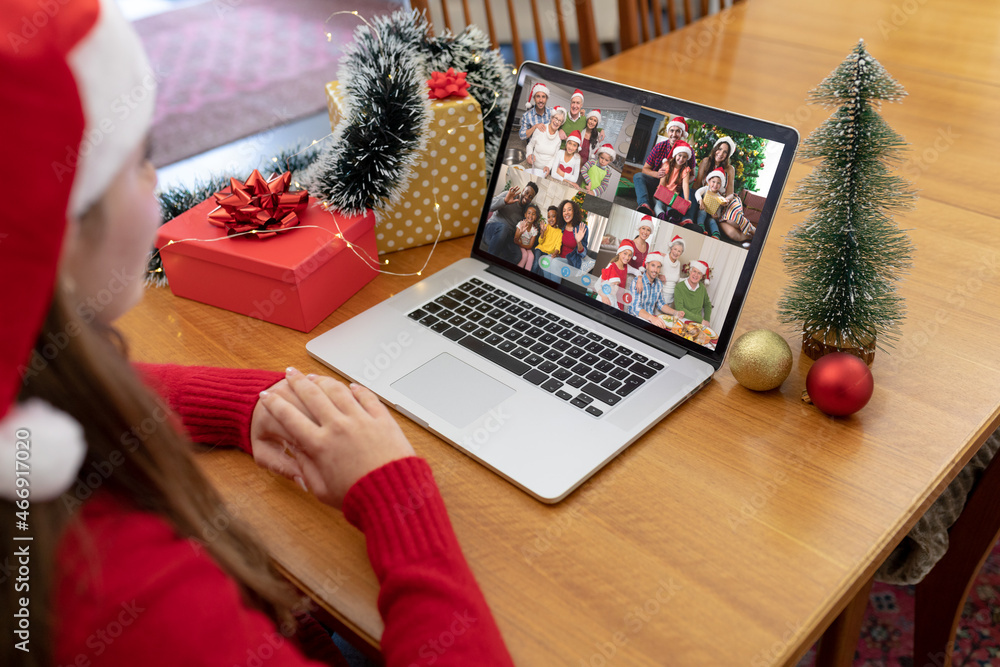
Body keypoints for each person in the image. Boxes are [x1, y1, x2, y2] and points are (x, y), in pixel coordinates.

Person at [0, 6, 516, 667]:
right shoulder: (131, 602)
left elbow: (61, 391)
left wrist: (248, 404)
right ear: (59, 230)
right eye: (141, 159)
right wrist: (395, 492)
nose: (155, 180)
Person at [632, 116, 693, 215]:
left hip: (676, 187)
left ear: (682, 133)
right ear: (668, 132)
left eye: (678, 131)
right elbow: (645, 169)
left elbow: (692, 176)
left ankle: (683, 218)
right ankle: (645, 205)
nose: (674, 134)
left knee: (689, 193)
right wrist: (657, 174)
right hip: (658, 183)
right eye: (672, 130)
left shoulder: (688, 151)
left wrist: (681, 183)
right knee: (638, 176)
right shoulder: (659, 147)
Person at [483, 182, 539, 263]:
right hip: (491, 231)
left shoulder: (525, 212)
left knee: (518, 255)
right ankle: (488, 262)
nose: (527, 197)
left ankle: (497, 269)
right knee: (504, 228)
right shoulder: (509, 195)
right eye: (526, 193)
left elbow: (524, 228)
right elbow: (488, 206)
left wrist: (534, 226)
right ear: (523, 190)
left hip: (506, 238)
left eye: (530, 197)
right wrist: (505, 201)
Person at [695, 169, 755, 243]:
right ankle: (700, 226)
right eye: (713, 182)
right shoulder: (706, 189)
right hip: (704, 210)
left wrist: (716, 216)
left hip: (716, 214)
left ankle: (716, 234)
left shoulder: (719, 196)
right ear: (709, 181)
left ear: (721, 185)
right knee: (702, 213)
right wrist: (700, 200)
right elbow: (697, 192)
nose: (715, 185)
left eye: (718, 183)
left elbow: (719, 209)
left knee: (713, 221)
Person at [627, 252, 685, 326]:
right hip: (634, 321)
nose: (655, 270)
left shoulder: (658, 283)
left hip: (650, 320)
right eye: (653, 265)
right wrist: (652, 318)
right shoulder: (637, 282)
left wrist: (676, 312)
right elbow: (636, 308)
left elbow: (661, 303)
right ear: (647, 265)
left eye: (658, 267)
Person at [654, 141, 694, 220]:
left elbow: (685, 185)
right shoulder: (667, 165)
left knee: (671, 208)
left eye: (684, 157)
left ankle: (672, 218)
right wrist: (661, 192)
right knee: (658, 205)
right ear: (675, 155)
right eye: (679, 155)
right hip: (662, 193)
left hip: (673, 197)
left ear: (687, 158)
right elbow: (662, 182)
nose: (681, 159)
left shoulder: (685, 170)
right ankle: (661, 215)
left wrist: (686, 200)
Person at [525, 106, 565, 177]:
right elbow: (530, 145)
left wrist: (548, 166)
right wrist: (529, 154)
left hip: (545, 172)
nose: (556, 122)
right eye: (556, 118)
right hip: (533, 168)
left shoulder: (559, 138)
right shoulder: (540, 129)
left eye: (560, 120)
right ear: (552, 118)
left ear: (561, 123)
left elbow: (555, 156)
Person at [673, 260, 713, 325]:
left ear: (701, 276)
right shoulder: (679, 287)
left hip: (697, 323)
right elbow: (679, 308)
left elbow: (707, 305)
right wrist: (701, 320)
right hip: (681, 320)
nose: (696, 275)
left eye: (699, 273)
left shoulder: (702, 288)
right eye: (694, 271)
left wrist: (707, 320)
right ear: (690, 271)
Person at [598, 243, 633, 308]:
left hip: (618, 300)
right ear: (619, 252)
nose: (627, 257)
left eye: (630, 255)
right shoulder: (611, 266)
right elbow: (598, 283)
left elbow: (636, 271)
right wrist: (604, 297)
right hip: (608, 297)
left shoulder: (627, 267)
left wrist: (639, 277)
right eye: (625, 253)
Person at [532, 205, 564, 275]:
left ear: (557, 217)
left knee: (542, 268)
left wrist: (555, 253)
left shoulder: (560, 232)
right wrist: (542, 233)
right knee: (536, 264)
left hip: (548, 254)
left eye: (553, 216)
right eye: (548, 217)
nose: (550, 219)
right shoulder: (546, 227)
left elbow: (558, 245)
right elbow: (540, 242)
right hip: (540, 249)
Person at [558, 199, 589, 269]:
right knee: (547, 259)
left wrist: (579, 242)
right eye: (564, 211)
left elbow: (583, 254)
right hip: (558, 257)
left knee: (554, 262)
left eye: (569, 210)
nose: (566, 213)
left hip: (571, 262)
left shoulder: (582, 228)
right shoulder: (562, 226)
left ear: (574, 212)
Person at [514, 204, 542, 270]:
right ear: (525, 215)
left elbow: (530, 246)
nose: (530, 216)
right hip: (519, 245)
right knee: (525, 255)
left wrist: (521, 244)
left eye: (533, 214)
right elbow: (515, 239)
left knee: (531, 256)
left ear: (536, 217)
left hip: (526, 246)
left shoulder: (534, 230)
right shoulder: (520, 224)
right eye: (529, 213)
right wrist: (521, 232)